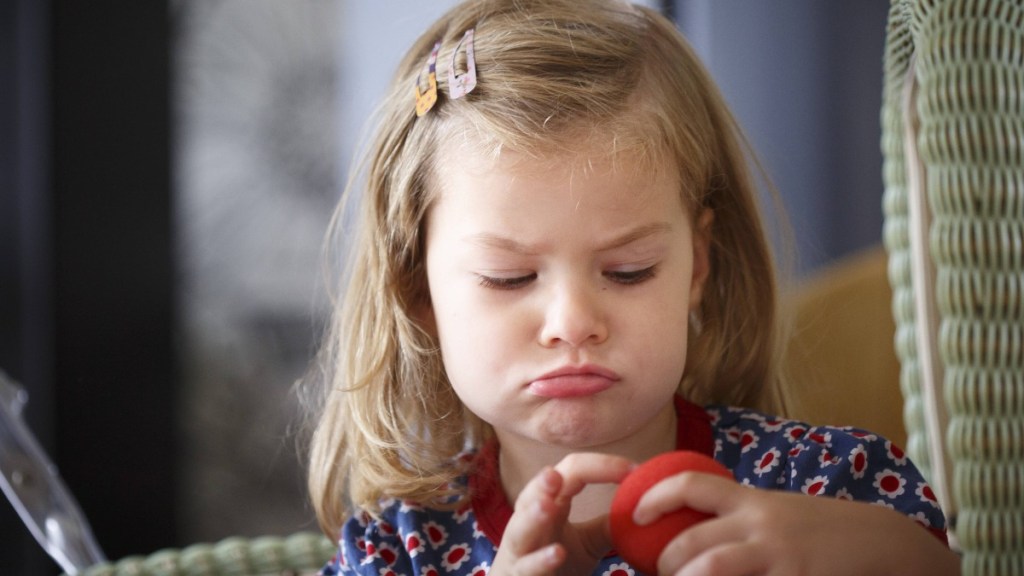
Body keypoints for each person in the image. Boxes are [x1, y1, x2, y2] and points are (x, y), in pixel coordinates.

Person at [307, 0, 959, 574]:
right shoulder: (394, 552)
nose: (572, 321)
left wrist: (878, 552)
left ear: (697, 266)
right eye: (510, 278)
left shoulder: (821, 487)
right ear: (421, 294)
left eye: (628, 270)